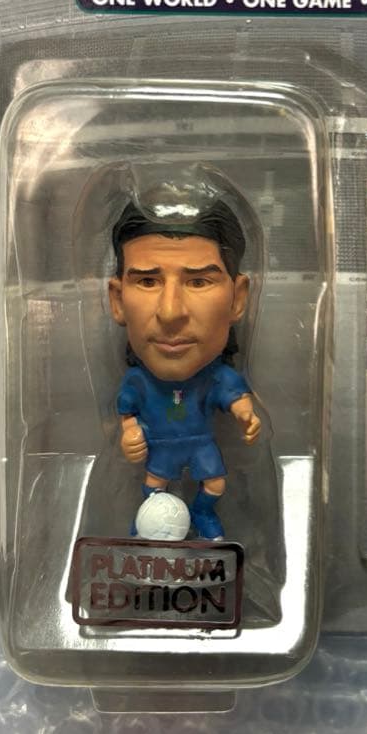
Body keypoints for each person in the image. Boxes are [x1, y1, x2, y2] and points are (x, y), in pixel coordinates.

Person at [109, 198, 261, 540]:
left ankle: (202, 513)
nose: (170, 312)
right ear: (117, 300)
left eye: (199, 282)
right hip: (162, 447)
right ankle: (146, 530)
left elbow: (235, 396)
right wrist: (129, 432)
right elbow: (127, 413)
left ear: (237, 299)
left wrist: (246, 414)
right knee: (154, 489)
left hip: (200, 444)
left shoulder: (215, 377)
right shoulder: (138, 382)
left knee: (215, 484)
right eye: (148, 282)